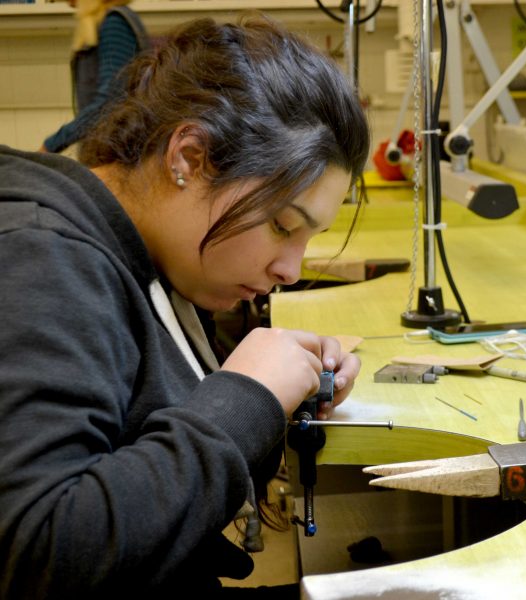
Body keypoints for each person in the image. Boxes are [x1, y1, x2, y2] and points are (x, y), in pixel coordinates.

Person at [0, 13, 369, 599]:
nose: (291, 270)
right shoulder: (43, 258)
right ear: (189, 157)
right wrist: (246, 399)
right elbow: (38, 554)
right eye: (282, 225)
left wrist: (280, 393)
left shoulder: (147, 257)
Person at [41, 0, 148, 154]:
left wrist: (52, 144)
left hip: (117, 155)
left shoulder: (114, 24)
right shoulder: (105, 22)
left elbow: (110, 102)